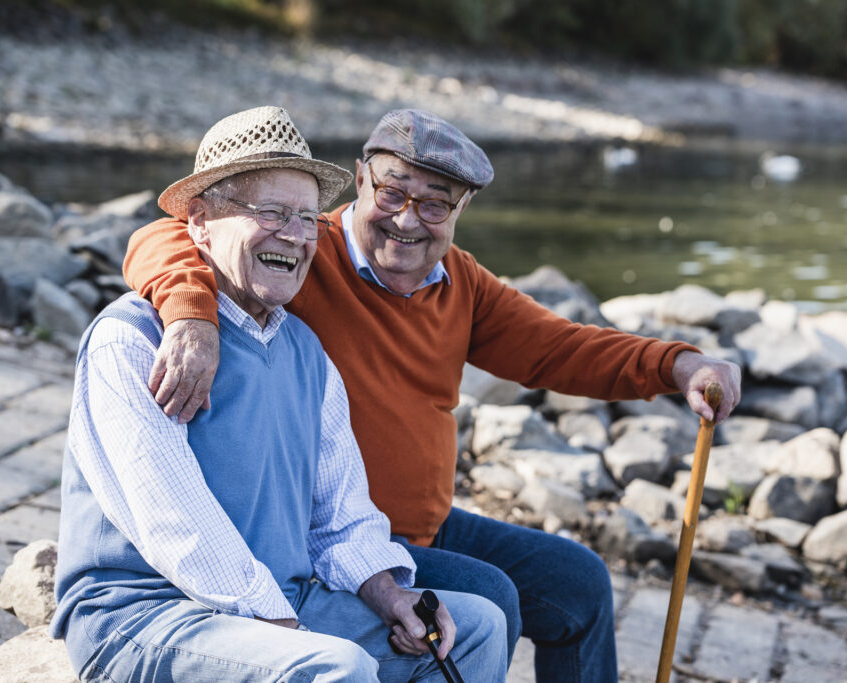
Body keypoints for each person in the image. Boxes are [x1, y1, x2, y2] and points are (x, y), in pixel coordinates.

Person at [122, 108, 743, 682]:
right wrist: (191, 316)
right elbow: (167, 236)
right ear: (361, 181)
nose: (407, 218)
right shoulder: (304, 251)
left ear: (461, 209)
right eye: (392, 191)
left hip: (427, 526)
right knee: (488, 598)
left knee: (578, 580)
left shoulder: (462, 284)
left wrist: (678, 364)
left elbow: (561, 347)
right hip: (332, 536)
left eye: (435, 204)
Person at [50, 106, 508, 682]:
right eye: (270, 212)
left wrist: (389, 593)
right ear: (199, 220)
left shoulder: (308, 353)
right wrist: (287, 629)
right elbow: (181, 530)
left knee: (478, 626)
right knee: (333, 666)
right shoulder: (135, 340)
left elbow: (338, 518)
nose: (293, 235)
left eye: (307, 217)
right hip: (147, 618)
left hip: (283, 604)